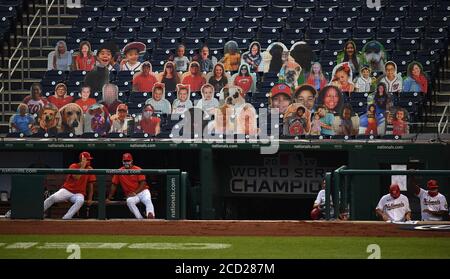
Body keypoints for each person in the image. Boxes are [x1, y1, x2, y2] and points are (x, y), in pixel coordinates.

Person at [43, 152, 95, 220]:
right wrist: (82, 167)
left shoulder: (90, 169)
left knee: (80, 201)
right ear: (81, 159)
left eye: (89, 160)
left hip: (79, 193)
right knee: (53, 197)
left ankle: (66, 218)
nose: (89, 161)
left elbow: (91, 185)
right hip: (67, 190)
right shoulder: (73, 166)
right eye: (87, 160)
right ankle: (37, 213)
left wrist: (90, 199)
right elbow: (76, 177)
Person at [107, 153, 155, 219]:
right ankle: (140, 218)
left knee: (147, 200)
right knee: (129, 201)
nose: (126, 163)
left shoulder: (138, 169)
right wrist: (109, 197)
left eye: (128, 161)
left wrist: (135, 192)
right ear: (122, 161)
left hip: (142, 192)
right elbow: (114, 185)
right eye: (125, 161)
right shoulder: (119, 171)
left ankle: (150, 215)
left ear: (132, 161)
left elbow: (143, 183)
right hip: (131, 194)